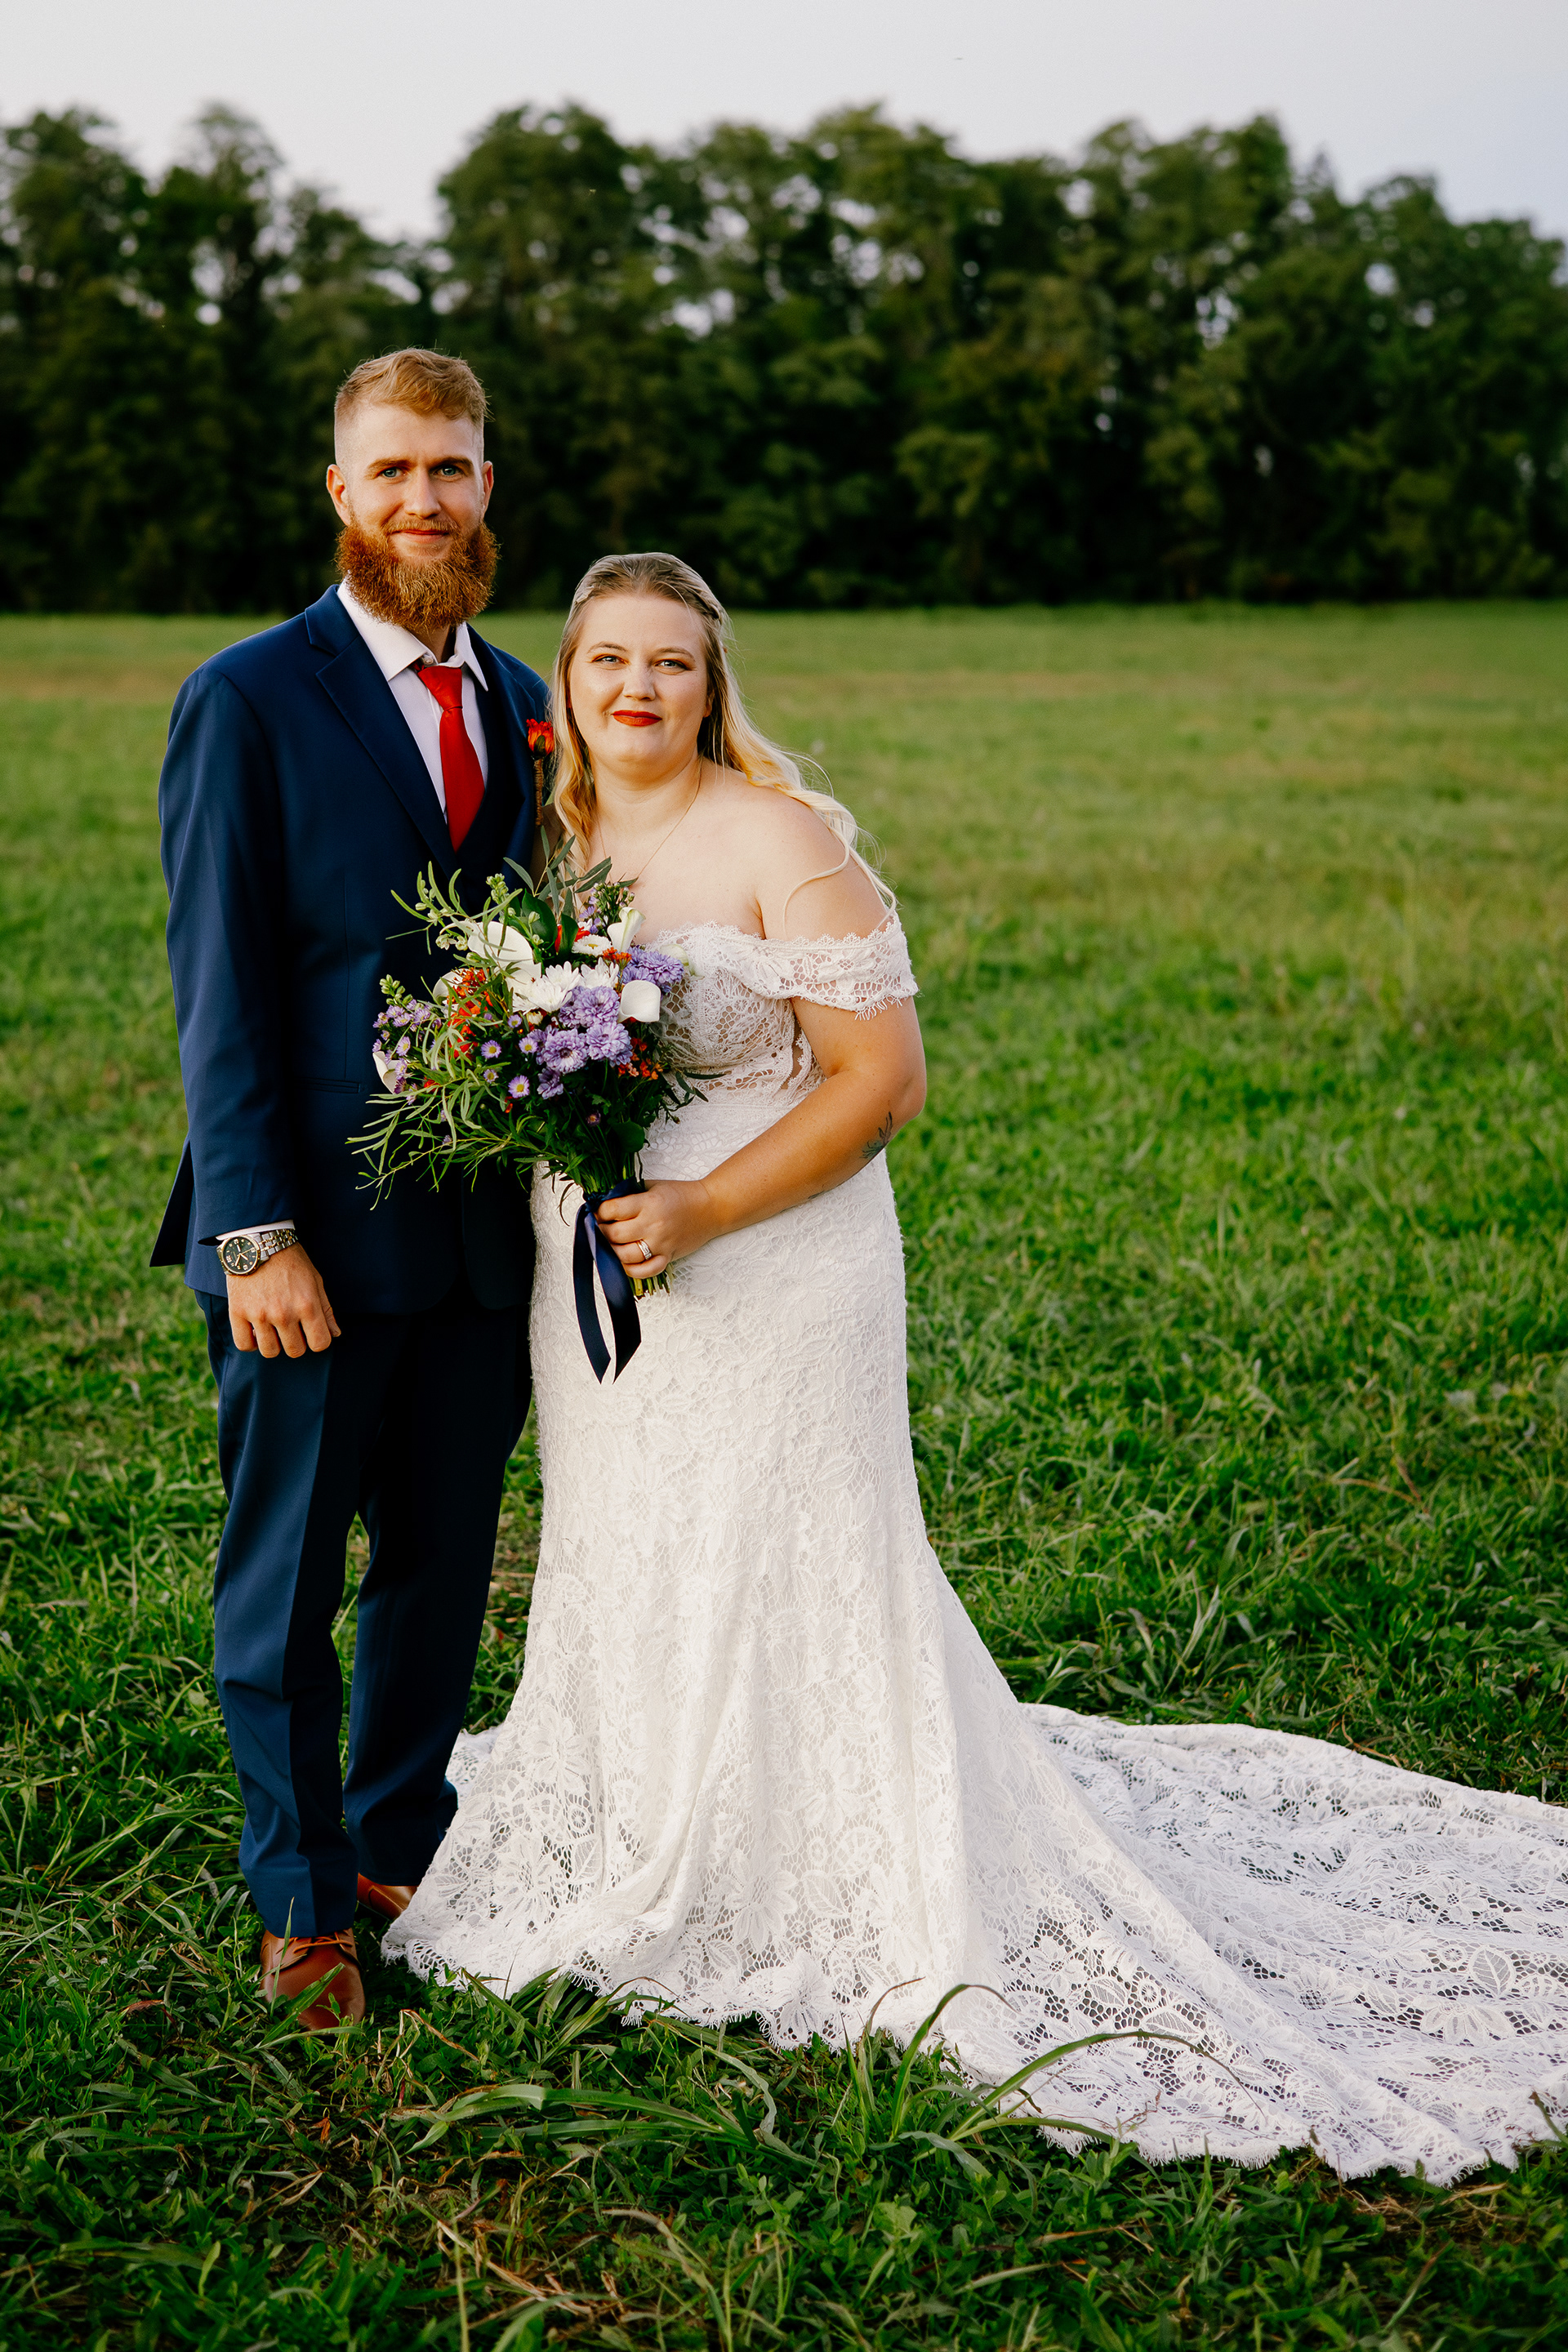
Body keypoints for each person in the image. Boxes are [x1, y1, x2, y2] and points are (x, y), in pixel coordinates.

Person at [385, 550, 1568, 2183]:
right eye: (609, 662)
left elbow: (882, 1083)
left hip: (771, 1260)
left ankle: (824, 1840)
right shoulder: (557, 844)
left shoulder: (782, 838)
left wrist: (706, 1208)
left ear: (712, 686)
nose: (638, 688)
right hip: (595, 1264)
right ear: (565, 688)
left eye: (671, 662)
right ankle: (656, 1805)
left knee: (790, 1545)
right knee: (639, 1535)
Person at [154, 348, 550, 2031]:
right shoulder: (247, 697)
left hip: (478, 1242)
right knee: (287, 1583)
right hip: (303, 1238)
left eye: (450, 468)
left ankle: (394, 1849)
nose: (423, 500)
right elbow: (220, 988)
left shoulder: (528, 696)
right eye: (392, 470)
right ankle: (302, 1904)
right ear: (340, 492)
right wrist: (254, 1234)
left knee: (441, 1575)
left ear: (485, 484)